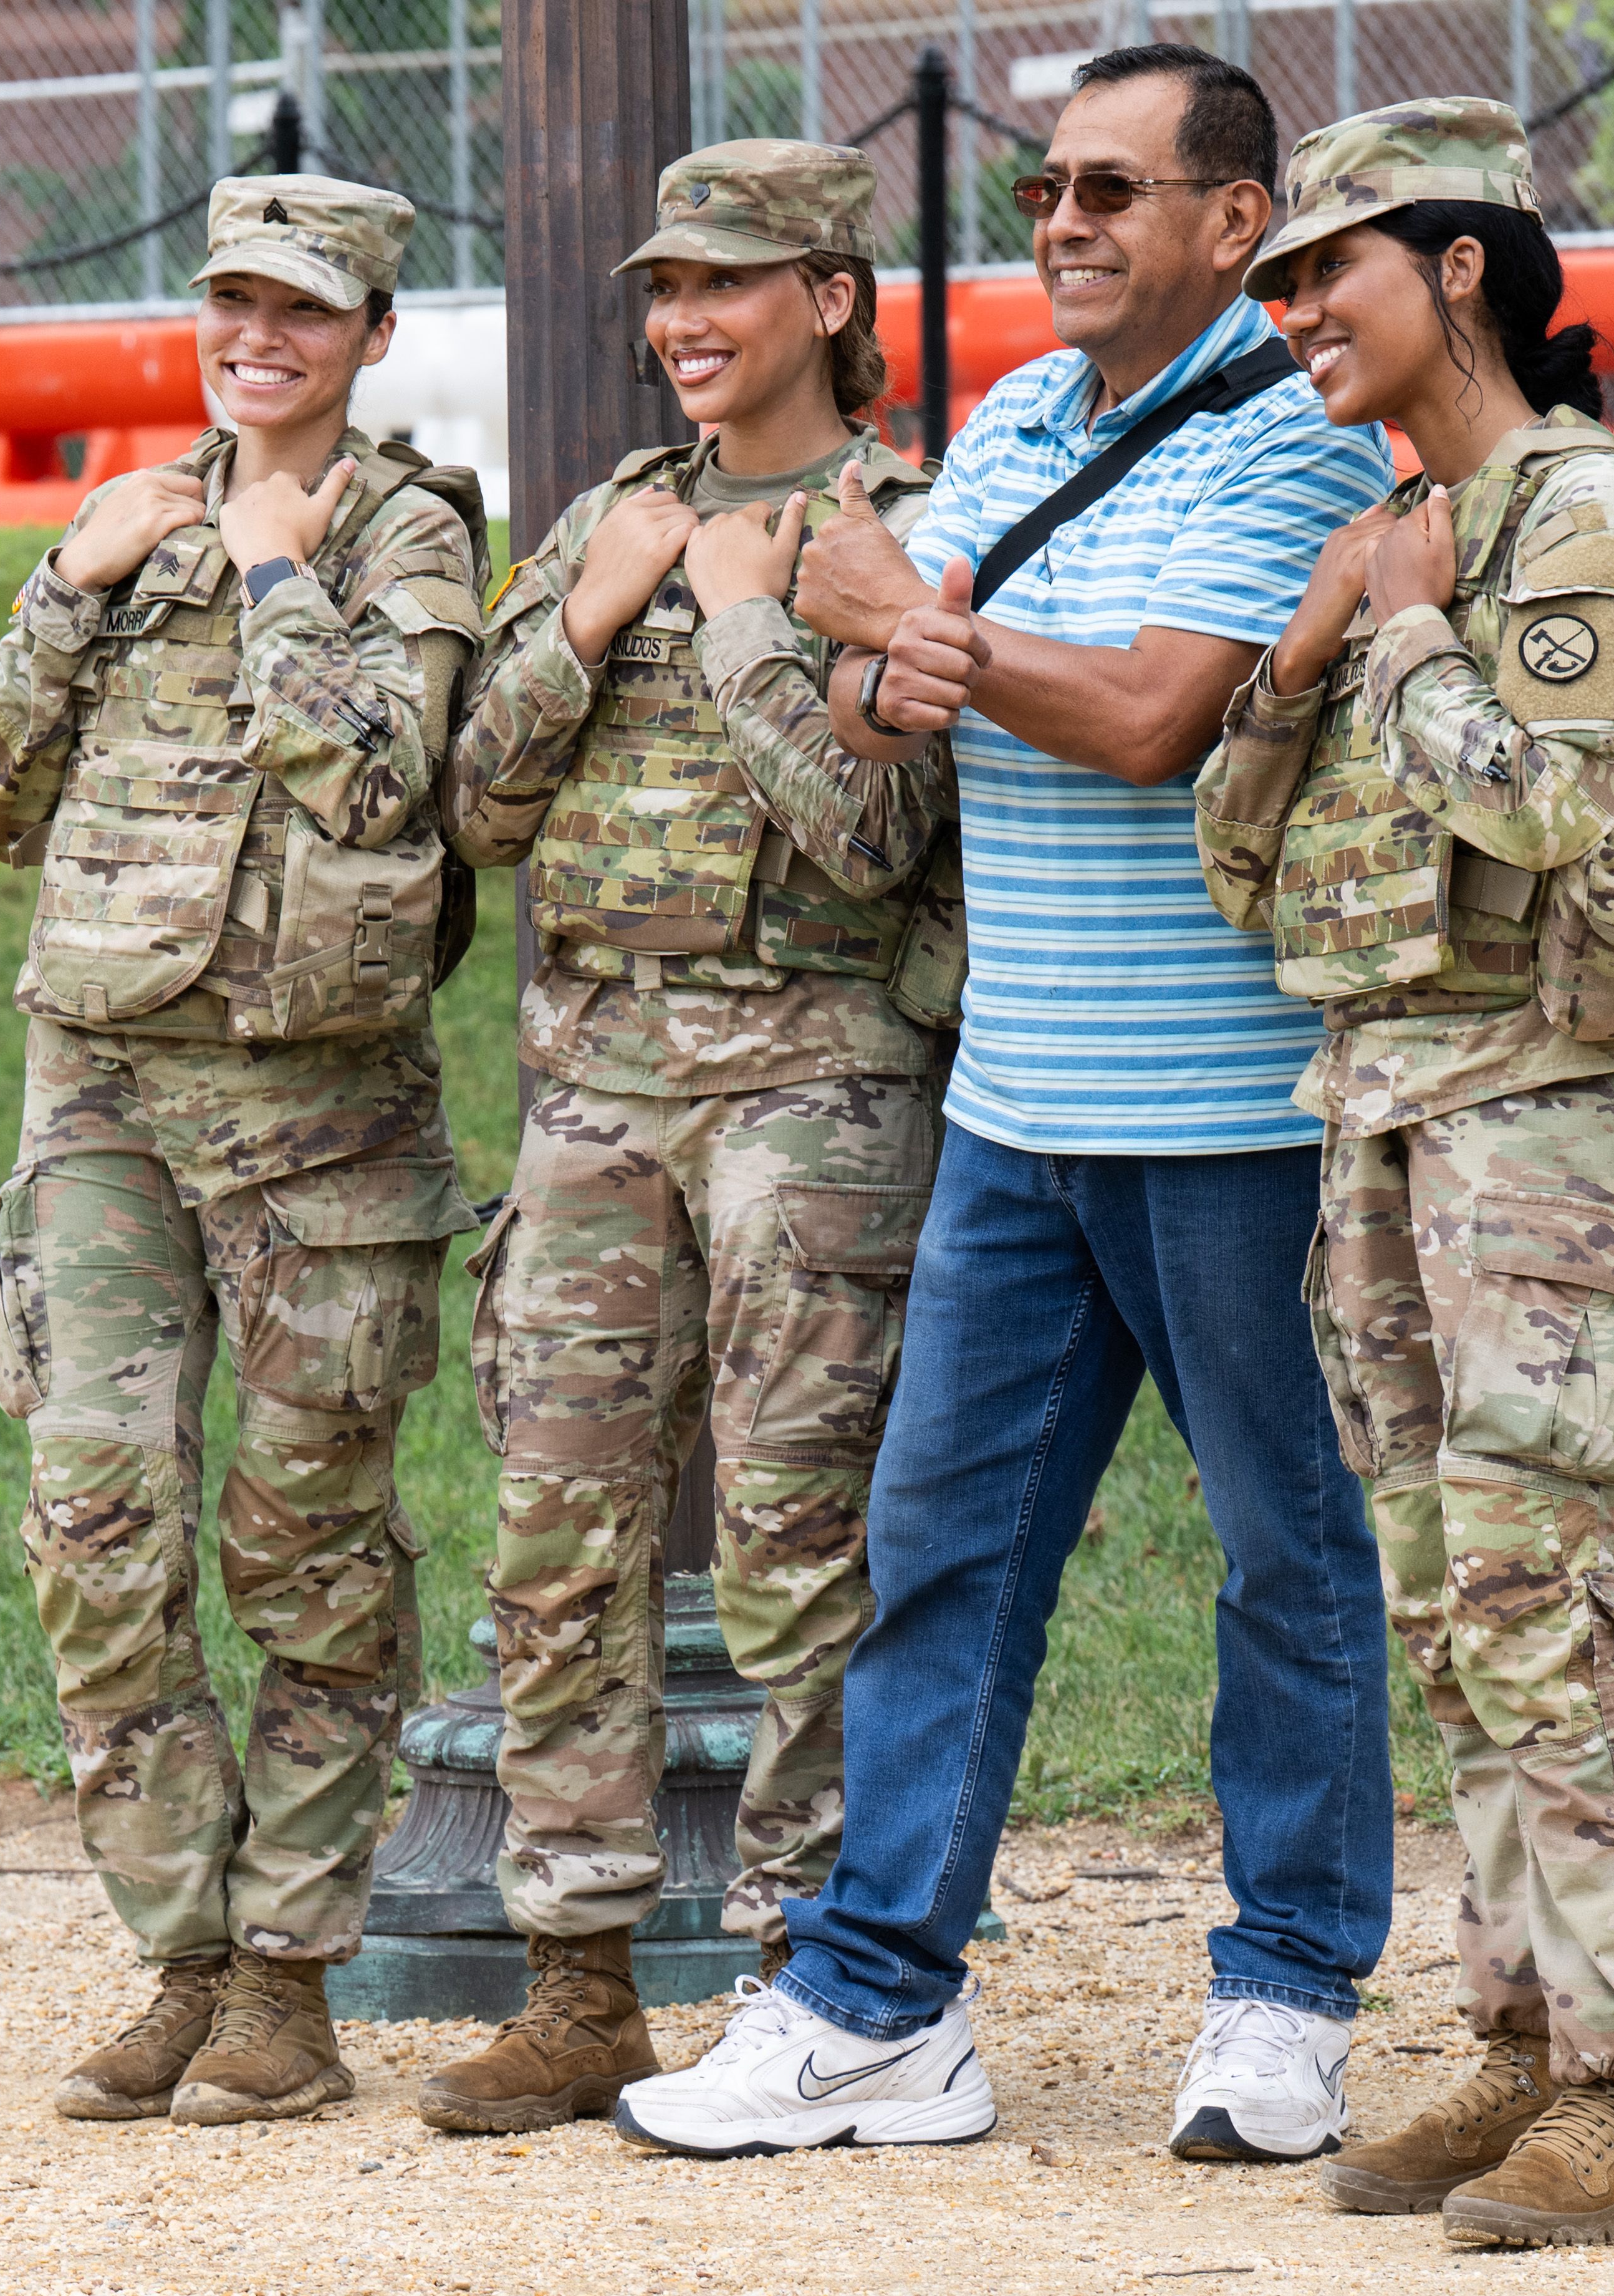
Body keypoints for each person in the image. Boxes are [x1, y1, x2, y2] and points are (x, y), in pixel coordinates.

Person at [608, 46, 1397, 2167]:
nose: (1063, 221)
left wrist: (926, 622)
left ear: (1237, 224)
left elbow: (1151, 714)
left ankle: (1285, 1993)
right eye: (1050, 186)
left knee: (1285, 1561)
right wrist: (932, 635)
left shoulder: (1294, 434)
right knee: (939, 1551)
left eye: (1116, 191)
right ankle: (880, 2004)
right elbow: (871, 694)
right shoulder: (1023, 416)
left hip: (1233, 1113)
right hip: (1018, 1104)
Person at [1191, 99, 1614, 2249]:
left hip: (1551, 1121)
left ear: (1463, 274)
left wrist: (1408, 633)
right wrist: (1318, 648)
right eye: (1281, 283)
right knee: (1445, 1606)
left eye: (1329, 269)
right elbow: (1247, 868)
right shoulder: (1402, 533)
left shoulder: (1574, 514)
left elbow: (1537, 803)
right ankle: (1520, 2047)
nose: (1296, 311)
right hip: (1392, 1107)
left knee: (1538, 1597)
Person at [413, 139, 954, 2137]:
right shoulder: (602, 521)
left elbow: (883, 833)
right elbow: (472, 805)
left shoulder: (905, 525)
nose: (680, 324)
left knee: (812, 1548)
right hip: (596, 1088)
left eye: (723, 284)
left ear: (828, 296)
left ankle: (815, 1975)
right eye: (661, 290)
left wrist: (739, 626)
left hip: (811, 1090)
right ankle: (574, 1977)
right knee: (558, 1532)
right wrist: (588, 621)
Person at [0, 174, 487, 2127]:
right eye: (233, 302)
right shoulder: (136, 514)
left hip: (310, 1110)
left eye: (302, 309)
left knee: (306, 1549)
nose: (258, 336)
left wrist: (276, 574)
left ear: (368, 334)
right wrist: (72, 581)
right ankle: (180, 1952)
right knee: (94, 1531)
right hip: (93, 1084)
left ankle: (289, 1977)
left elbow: (373, 780)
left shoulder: (406, 530)